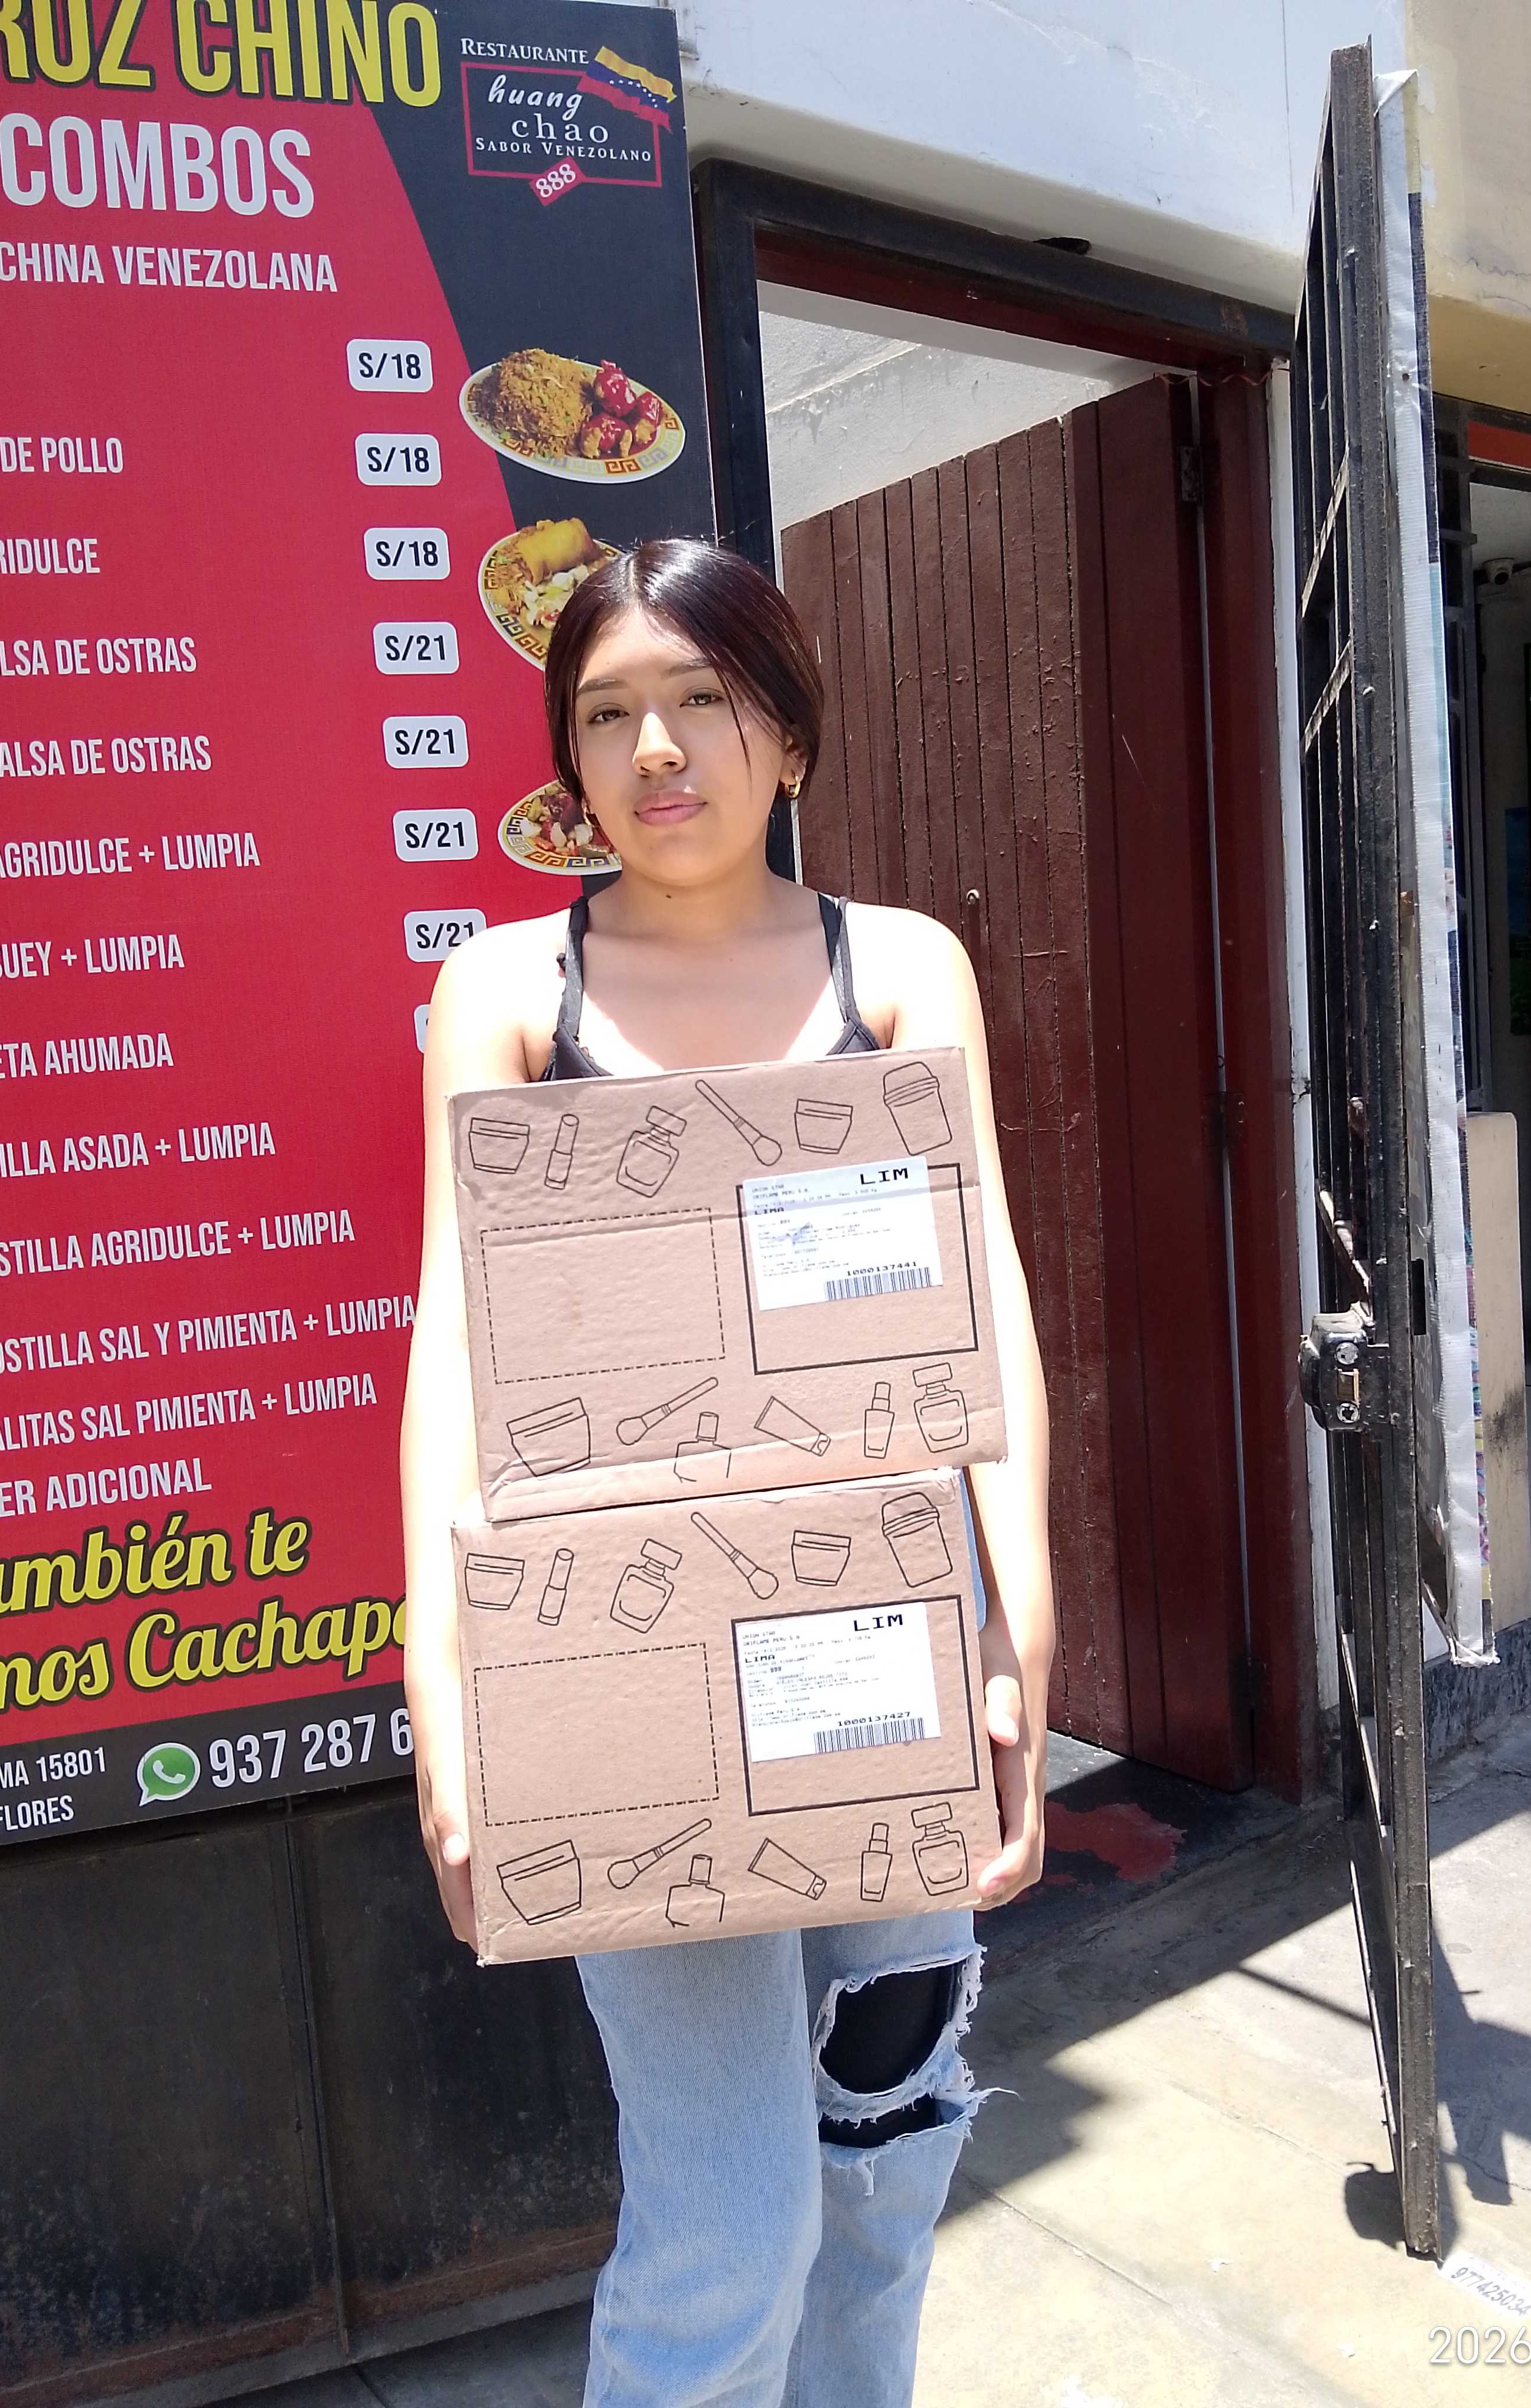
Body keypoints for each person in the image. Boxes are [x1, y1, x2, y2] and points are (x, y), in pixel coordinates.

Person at [400, 538, 1054, 2406]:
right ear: (568, 757)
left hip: (885, 1644)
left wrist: (1019, 1626)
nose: (659, 749)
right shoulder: (510, 991)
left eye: (703, 698)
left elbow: (982, 1302)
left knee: (887, 2150)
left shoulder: (898, 968)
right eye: (608, 713)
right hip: (623, 1676)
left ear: (791, 730)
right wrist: (446, 1698)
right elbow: (460, 1348)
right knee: (729, 2230)